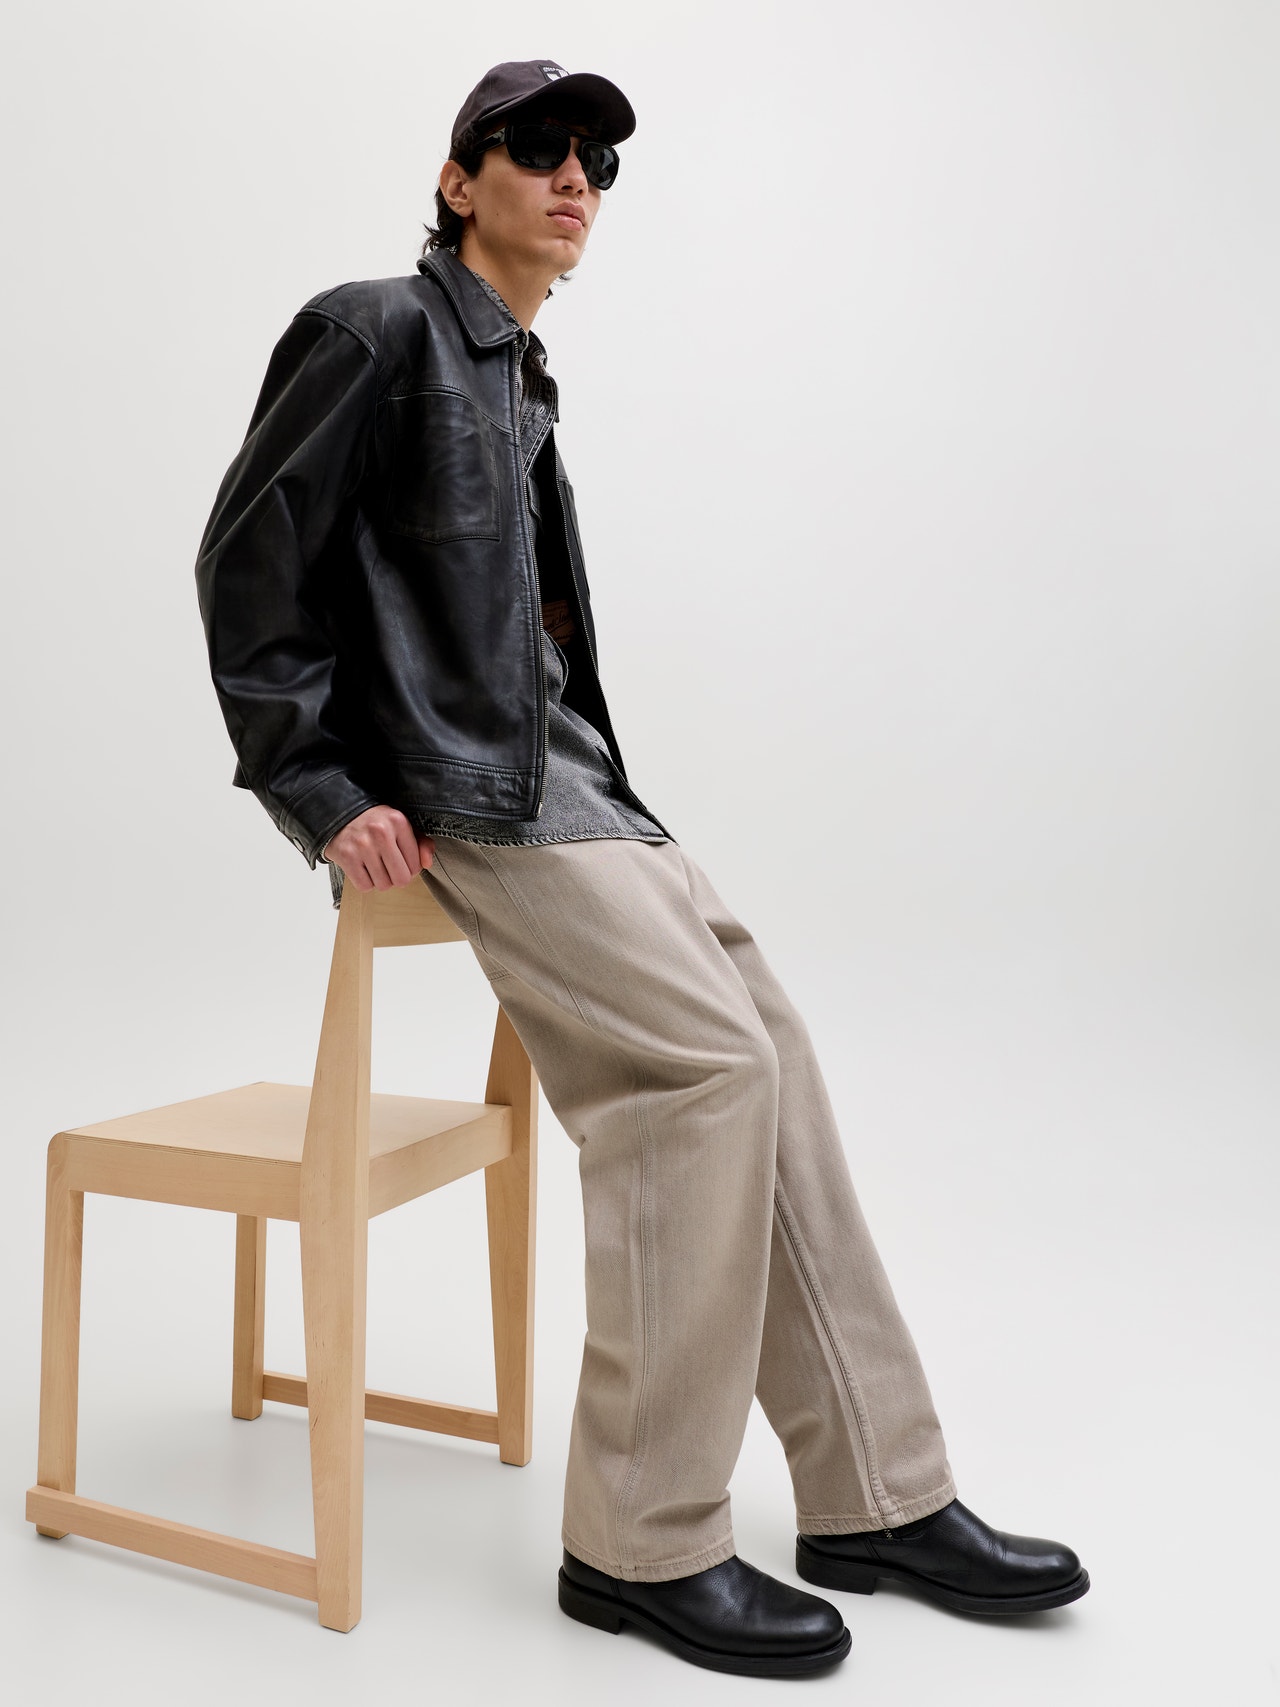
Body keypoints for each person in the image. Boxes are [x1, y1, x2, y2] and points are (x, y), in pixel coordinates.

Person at [194, 57, 1089, 1678]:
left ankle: (877, 1495)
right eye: (535, 147)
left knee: (773, 1063)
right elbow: (246, 562)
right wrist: (317, 789)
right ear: (458, 180)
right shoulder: (376, 330)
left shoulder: (518, 376)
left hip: (588, 793)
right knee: (698, 1078)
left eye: (596, 158)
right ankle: (639, 1539)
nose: (573, 175)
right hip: (478, 804)